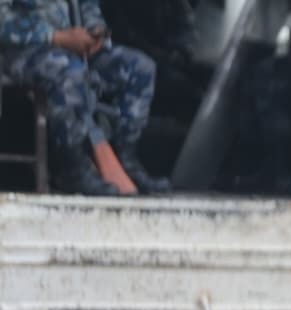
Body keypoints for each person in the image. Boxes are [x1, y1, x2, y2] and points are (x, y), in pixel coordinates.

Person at [0, 0, 169, 194]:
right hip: (24, 52)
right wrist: (55, 36)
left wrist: (95, 31)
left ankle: (127, 161)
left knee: (140, 68)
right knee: (71, 73)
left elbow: (88, 6)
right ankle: (73, 171)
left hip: (77, 50)